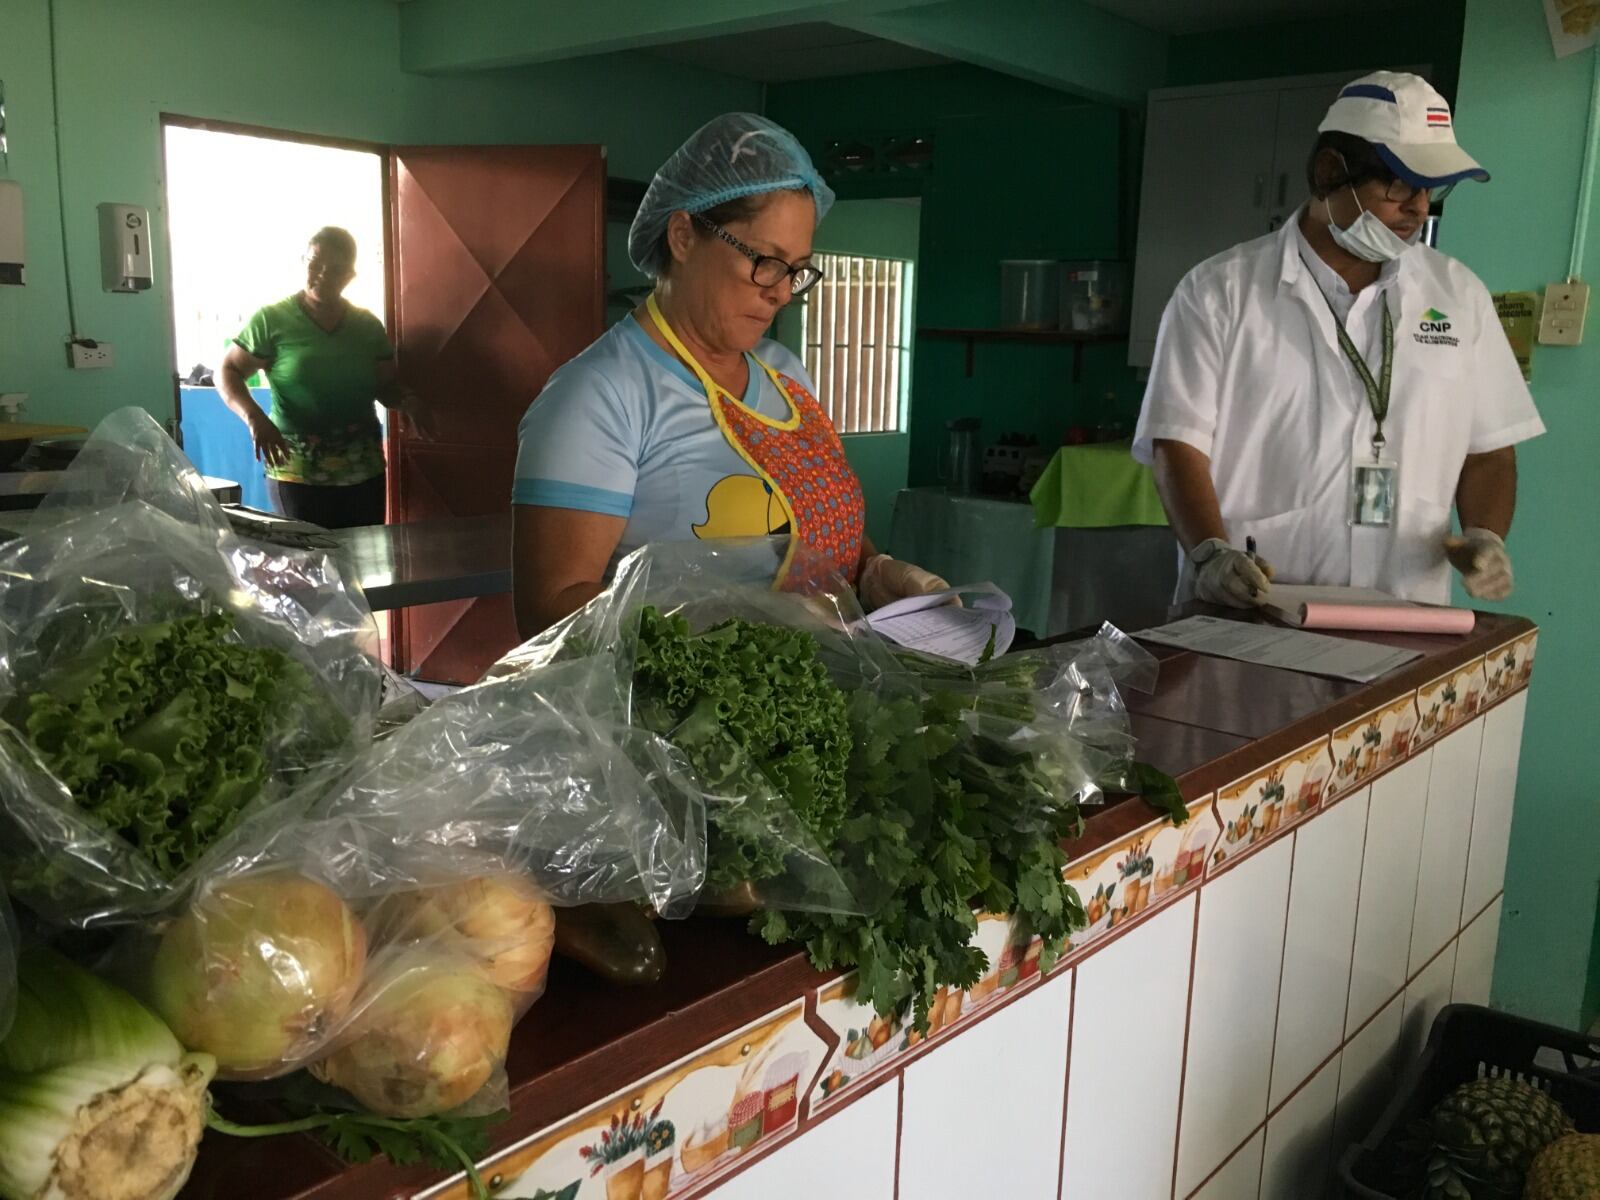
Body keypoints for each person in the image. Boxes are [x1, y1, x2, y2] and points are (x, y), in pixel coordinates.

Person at [511, 113, 949, 636]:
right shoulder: (600, 396)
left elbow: (810, 524)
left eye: (797, 269)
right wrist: (731, 621)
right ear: (683, 236)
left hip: (820, 677)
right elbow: (548, 612)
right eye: (766, 260)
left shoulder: (785, 373)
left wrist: (870, 571)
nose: (781, 292)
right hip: (666, 694)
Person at [1133, 71, 1543, 607]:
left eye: (1430, 188)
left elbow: (1488, 449)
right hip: (1253, 610)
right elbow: (1177, 443)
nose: (1420, 207)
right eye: (1400, 184)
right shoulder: (1219, 292)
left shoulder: (1458, 295)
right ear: (1331, 172)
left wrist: (1485, 536)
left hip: (1405, 611)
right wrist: (1210, 553)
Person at [217, 226, 434, 529]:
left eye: (336, 269)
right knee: (308, 555)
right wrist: (254, 417)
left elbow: (384, 387)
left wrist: (409, 402)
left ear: (351, 276)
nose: (323, 274)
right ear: (302, 261)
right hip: (296, 469)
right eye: (315, 263)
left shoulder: (367, 326)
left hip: (362, 469)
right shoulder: (272, 320)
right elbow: (227, 371)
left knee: (362, 556)